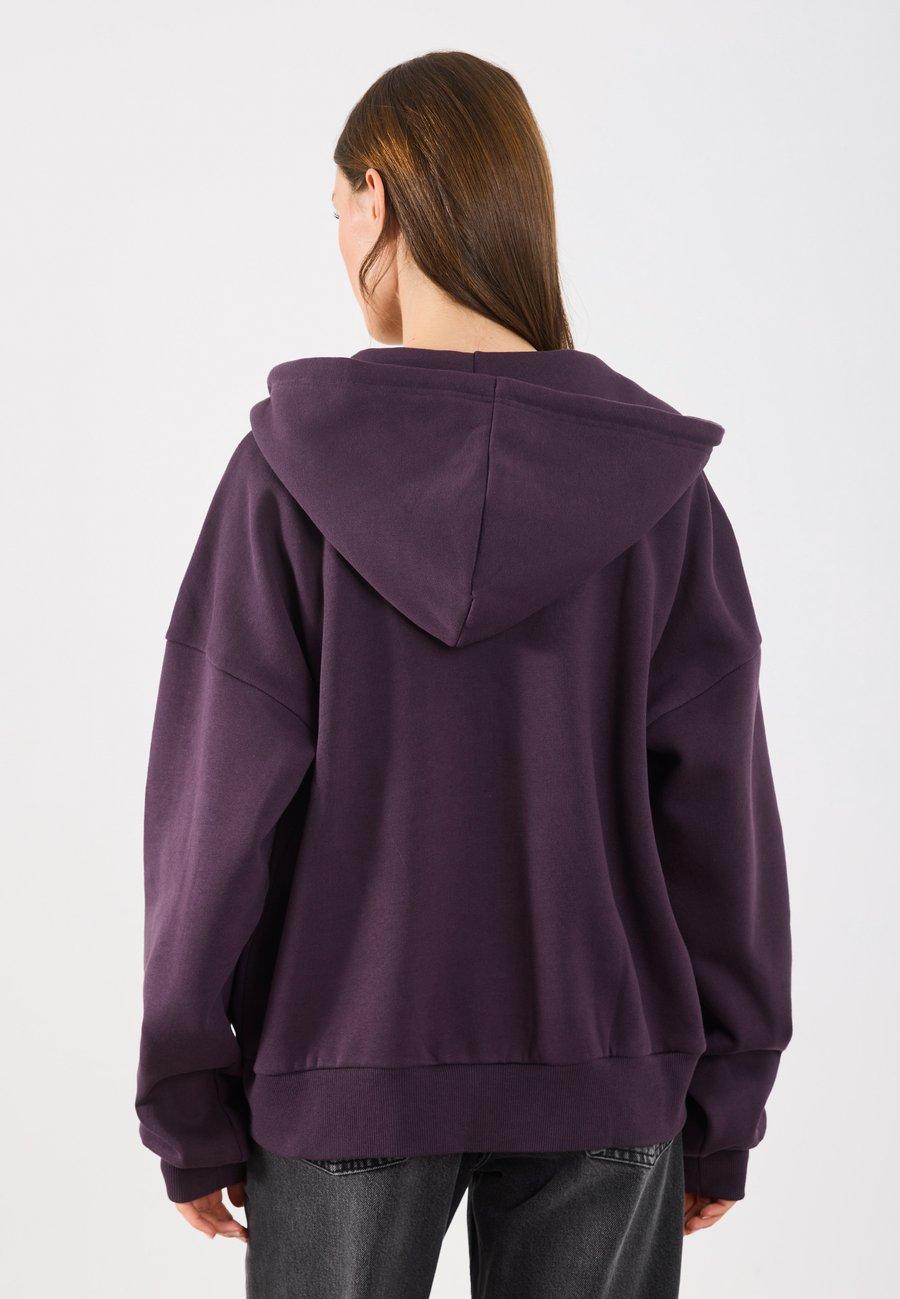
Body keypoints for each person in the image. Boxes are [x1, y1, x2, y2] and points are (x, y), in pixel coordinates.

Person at [136, 50, 791, 1299]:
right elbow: (723, 825)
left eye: (336, 209)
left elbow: (211, 822)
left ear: (377, 199)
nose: (341, 241)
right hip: (607, 1074)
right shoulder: (660, 496)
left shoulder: (284, 481)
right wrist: (727, 1099)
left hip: (340, 1072)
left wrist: (186, 1097)